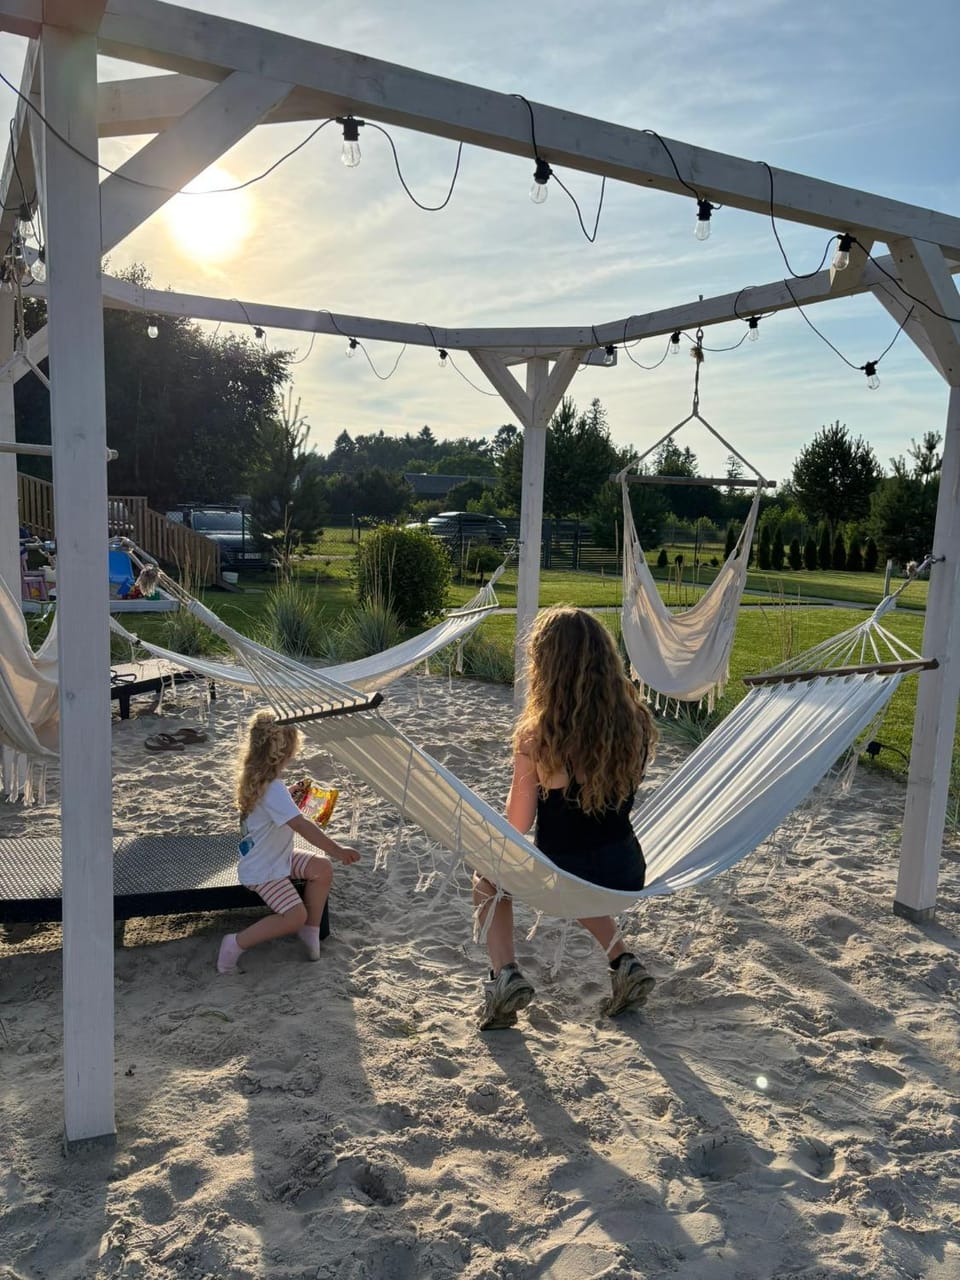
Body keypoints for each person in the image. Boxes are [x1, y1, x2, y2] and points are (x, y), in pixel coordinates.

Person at [473, 606, 658, 1030]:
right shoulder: (634, 724)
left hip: (562, 872)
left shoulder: (539, 737)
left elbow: (516, 826)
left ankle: (504, 978)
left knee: (487, 879)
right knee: (584, 882)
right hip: (626, 869)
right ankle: (624, 963)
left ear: (547, 666)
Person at [217, 710, 361, 974]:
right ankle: (235, 944)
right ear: (284, 752)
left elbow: (274, 811)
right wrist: (338, 850)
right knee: (294, 916)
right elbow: (302, 826)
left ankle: (311, 930)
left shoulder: (265, 782)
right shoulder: (273, 789)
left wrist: (290, 794)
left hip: (276, 857)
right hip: (264, 870)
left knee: (322, 868)